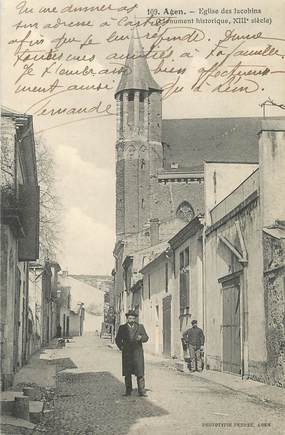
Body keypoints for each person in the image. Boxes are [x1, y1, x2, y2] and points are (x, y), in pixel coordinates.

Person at [115, 310, 149, 397]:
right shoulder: (122, 328)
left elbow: (146, 337)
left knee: (140, 372)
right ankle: (128, 391)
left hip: (137, 353)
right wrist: (121, 347)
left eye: (133, 318)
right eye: (130, 318)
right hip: (127, 354)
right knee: (127, 373)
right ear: (127, 318)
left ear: (135, 319)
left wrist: (141, 338)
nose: (131, 320)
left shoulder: (140, 327)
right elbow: (117, 339)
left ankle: (141, 391)